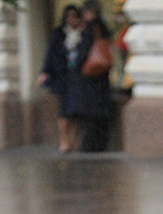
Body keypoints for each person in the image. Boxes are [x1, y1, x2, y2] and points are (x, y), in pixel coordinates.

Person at [37, 5, 83, 153]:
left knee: (76, 111)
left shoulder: (83, 33)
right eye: (69, 16)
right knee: (63, 111)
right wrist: (45, 71)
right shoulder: (58, 34)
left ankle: (74, 142)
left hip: (78, 77)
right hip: (62, 76)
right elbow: (50, 53)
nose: (72, 19)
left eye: (75, 16)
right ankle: (64, 142)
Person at [76, 0, 113, 153]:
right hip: (103, 76)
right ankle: (101, 143)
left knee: (91, 114)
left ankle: (91, 145)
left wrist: (78, 63)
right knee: (101, 113)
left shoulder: (90, 29)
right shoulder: (102, 27)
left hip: (91, 77)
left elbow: (84, 50)